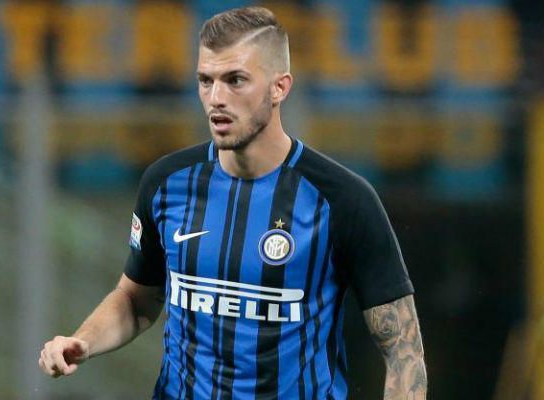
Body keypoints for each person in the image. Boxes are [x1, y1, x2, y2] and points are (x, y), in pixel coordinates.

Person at [38, 6, 427, 400]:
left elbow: (403, 352)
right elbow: (136, 300)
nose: (216, 98)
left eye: (235, 80)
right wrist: (84, 341)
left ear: (279, 88)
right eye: (205, 81)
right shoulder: (166, 184)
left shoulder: (342, 200)